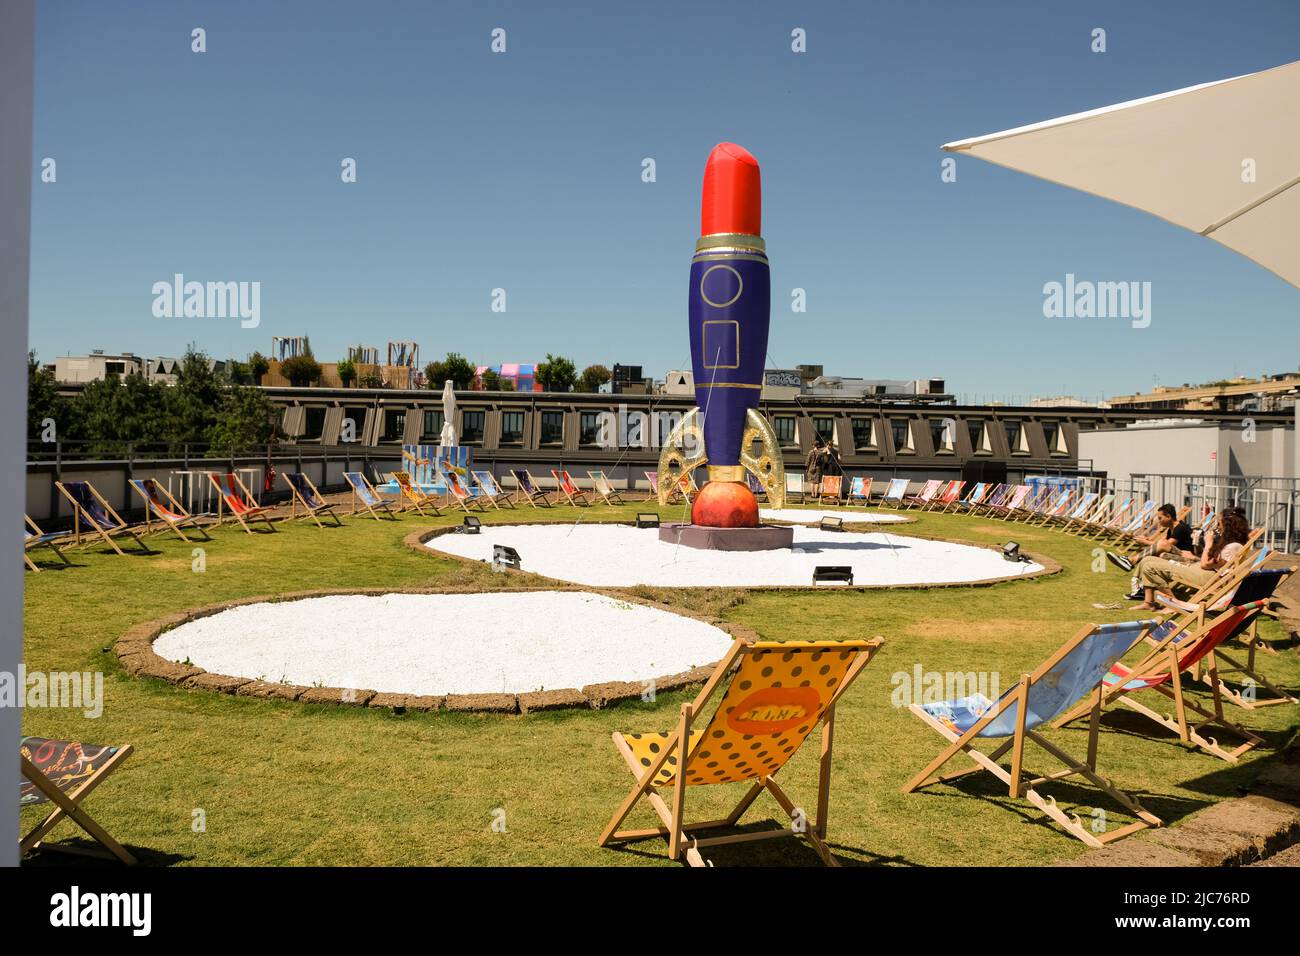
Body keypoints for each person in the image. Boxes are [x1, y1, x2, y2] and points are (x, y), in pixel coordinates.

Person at [1130, 509, 1251, 610]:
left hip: (1207, 577)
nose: (1218, 527)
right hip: (1204, 571)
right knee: (1148, 559)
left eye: (1220, 524)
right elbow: (1210, 561)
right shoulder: (1231, 544)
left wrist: (1208, 543)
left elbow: (1205, 565)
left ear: (1229, 527)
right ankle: (1148, 603)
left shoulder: (1234, 546)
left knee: (1149, 566)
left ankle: (1174, 605)